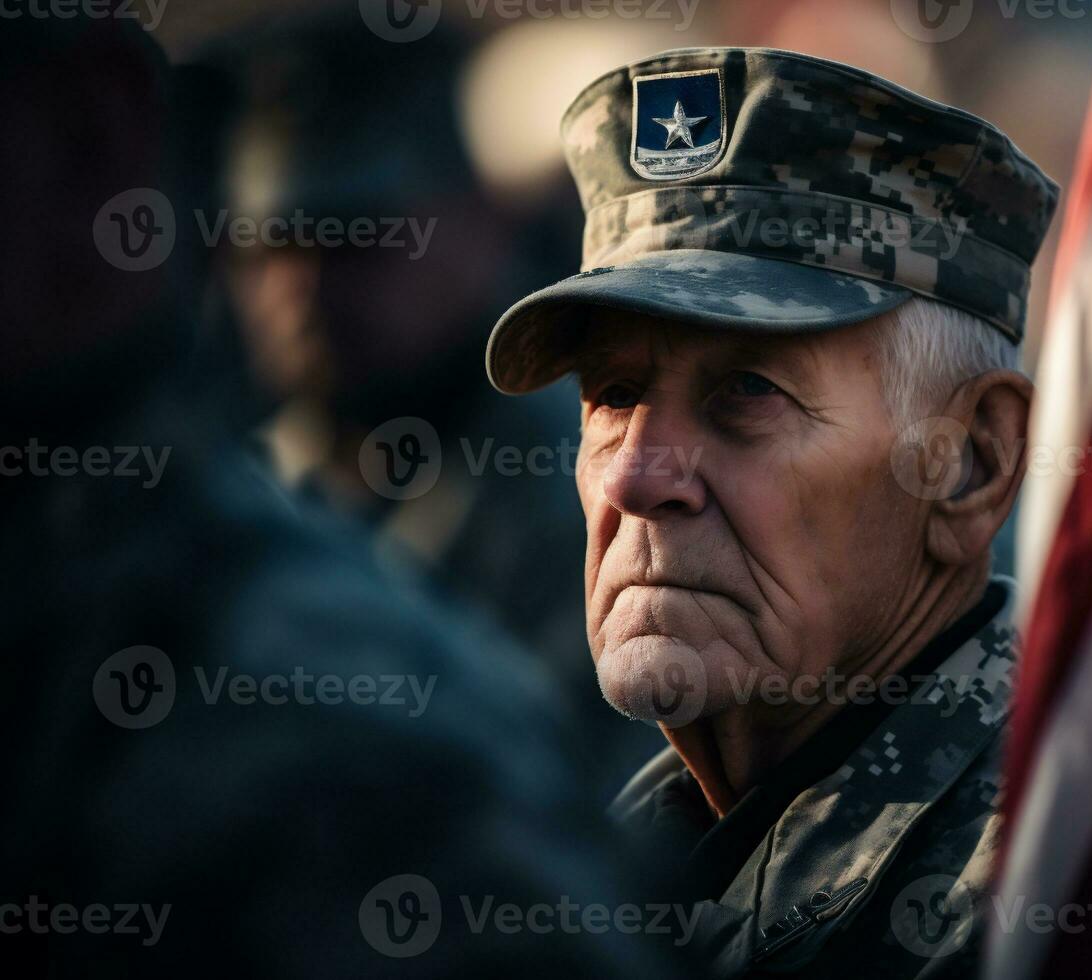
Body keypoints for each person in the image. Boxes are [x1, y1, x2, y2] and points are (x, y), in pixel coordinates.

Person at [0, 17, 677, 978]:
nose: (306, 285)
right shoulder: (239, 474)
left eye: (358, 237)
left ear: (474, 226)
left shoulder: (594, 489)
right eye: (271, 244)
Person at [482, 47, 1059, 978]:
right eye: (615, 394)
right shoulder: (618, 852)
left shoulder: (1051, 894)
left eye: (747, 390)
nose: (635, 479)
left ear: (972, 467)